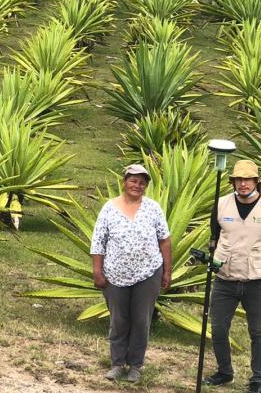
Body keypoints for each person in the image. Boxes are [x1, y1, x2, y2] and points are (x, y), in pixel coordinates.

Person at [204, 160, 261, 393]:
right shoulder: (221, 205)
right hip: (225, 278)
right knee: (218, 328)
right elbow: (215, 235)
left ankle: (257, 379)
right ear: (232, 182)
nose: (243, 184)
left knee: (257, 331)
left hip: (255, 281)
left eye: (248, 179)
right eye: (238, 179)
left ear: (256, 181)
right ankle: (224, 371)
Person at [91, 164, 173, 384]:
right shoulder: (109, 208)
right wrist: (97, 272)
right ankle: (117, 364)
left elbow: (164, 241)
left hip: (148, 274)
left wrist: (167, 271)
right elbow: (98, 242)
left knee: (141, 320)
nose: (138, 185)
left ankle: (135, 366)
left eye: (142, 182)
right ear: (124, 181)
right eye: (133, 181)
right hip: (114, 276)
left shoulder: (153, 208)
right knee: (119, 320)